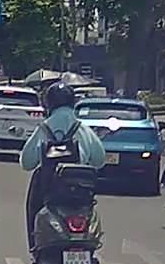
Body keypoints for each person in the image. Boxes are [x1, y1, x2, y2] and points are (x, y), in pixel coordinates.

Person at [20, 82, 107, 252]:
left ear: (49, 104)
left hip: (48, 190)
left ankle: (35, 248)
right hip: (80, 190)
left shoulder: (44, 128)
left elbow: (27, 163)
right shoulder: (82, 128)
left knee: (34, 211)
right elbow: (99, 160)